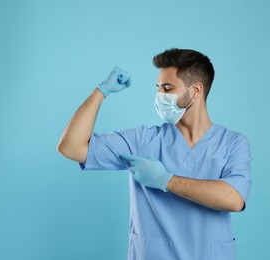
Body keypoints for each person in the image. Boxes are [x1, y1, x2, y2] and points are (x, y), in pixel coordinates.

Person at [57, 48, 252, 260]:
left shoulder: (233, 143)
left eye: (167, 88)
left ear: (196, 90)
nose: (160, 96)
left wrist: (164, 180)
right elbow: (71, 147)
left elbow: (234, 199)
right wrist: (101, 92)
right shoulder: (143, 141)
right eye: (158, 88)